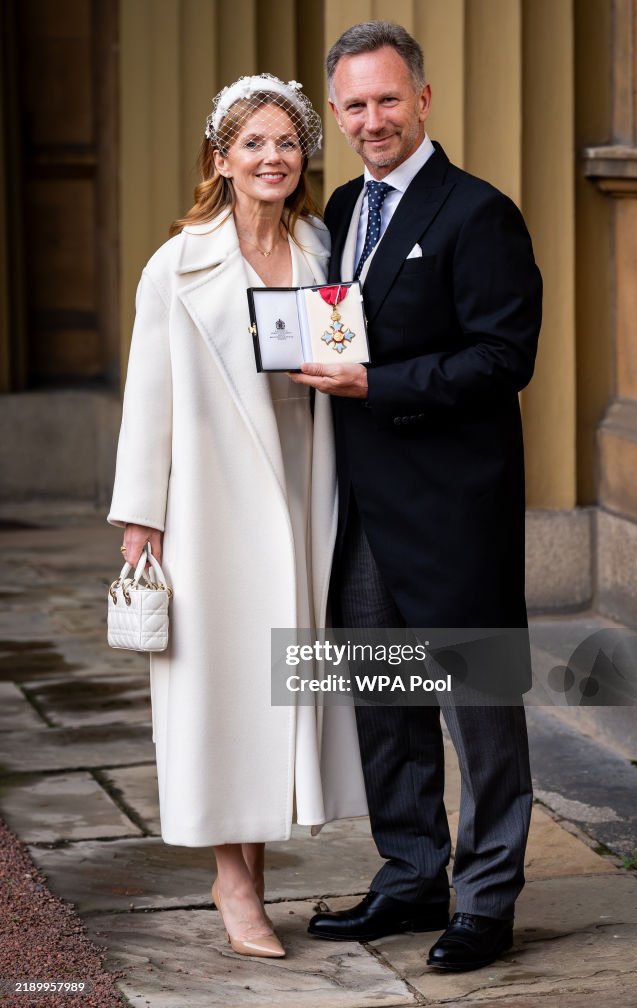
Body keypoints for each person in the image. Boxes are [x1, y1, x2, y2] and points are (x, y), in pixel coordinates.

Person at [290, 22, 543, 972]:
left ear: (423, 100)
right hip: (362, 506)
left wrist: (375, 388)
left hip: (453, 507)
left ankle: (484, 902)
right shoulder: (346, 205)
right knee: (383, 700)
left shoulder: (479, 213)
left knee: (479, 711)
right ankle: (409, 877)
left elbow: (501, 358)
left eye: (387, 99)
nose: (371, 119)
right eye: (352, 105)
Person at [108, 74, 366, 960]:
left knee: (277, 686)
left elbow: (340, 366)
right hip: (208, 511)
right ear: (220, 159)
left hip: (299, 496)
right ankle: (233, 881)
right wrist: (142, 519)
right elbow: (149, 398)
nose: (271, 158)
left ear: (304, 157)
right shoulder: (175, 263)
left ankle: (255, 874)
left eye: (286, 142)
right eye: (251, 144)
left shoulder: (319, 248)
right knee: (220, 691)